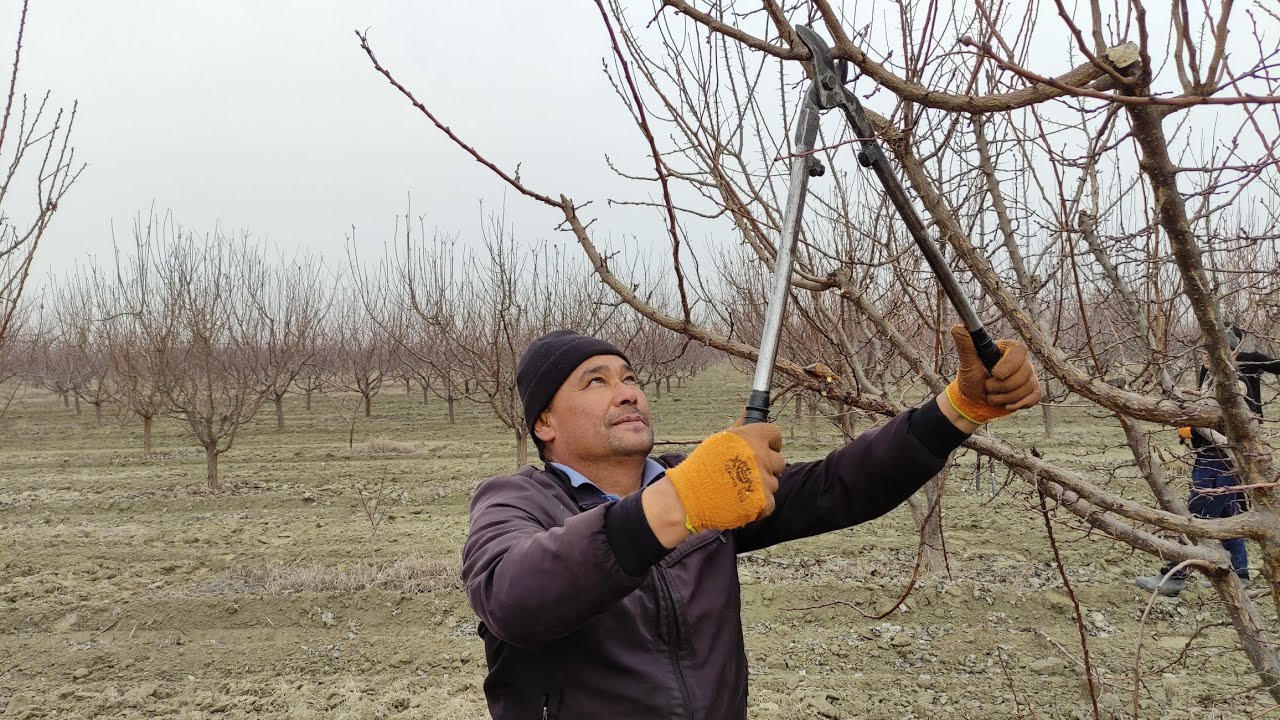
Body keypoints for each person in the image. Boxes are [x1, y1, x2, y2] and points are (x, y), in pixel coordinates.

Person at [462, 327, 1042, 719]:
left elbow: (837, 487)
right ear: (543, 423)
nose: (629, 393)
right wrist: (677, 503)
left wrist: (957, 410)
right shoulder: (516, 502)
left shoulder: (698, 485)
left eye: (629, 377)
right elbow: (514, 599)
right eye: (596, 381)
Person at [1136, 323, 1280, 597]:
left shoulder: (1241, 368)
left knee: (1197, 518)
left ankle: (1175, 575)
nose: (1205, 354)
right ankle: (1240, 573)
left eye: (1211, 349)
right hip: (1216, 453)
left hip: (1222, 456)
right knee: (1229, 514)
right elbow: (1203, 406)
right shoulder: (1209, 370)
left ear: (1229, 349)